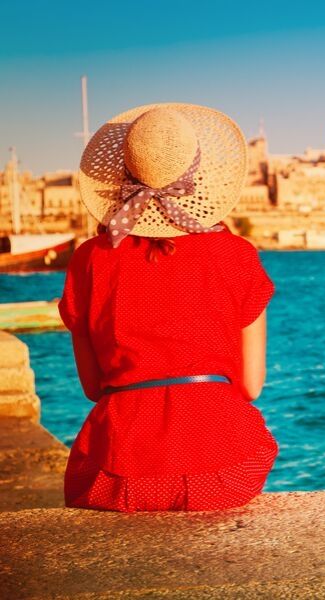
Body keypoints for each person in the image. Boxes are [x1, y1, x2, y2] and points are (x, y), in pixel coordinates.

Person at [58, 103, 279, 512]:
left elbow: (93, 389)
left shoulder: (89, 260)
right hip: (227, 470)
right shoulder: (236, 255)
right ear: (199, 178)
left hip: (117, 474)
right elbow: (251, 386)